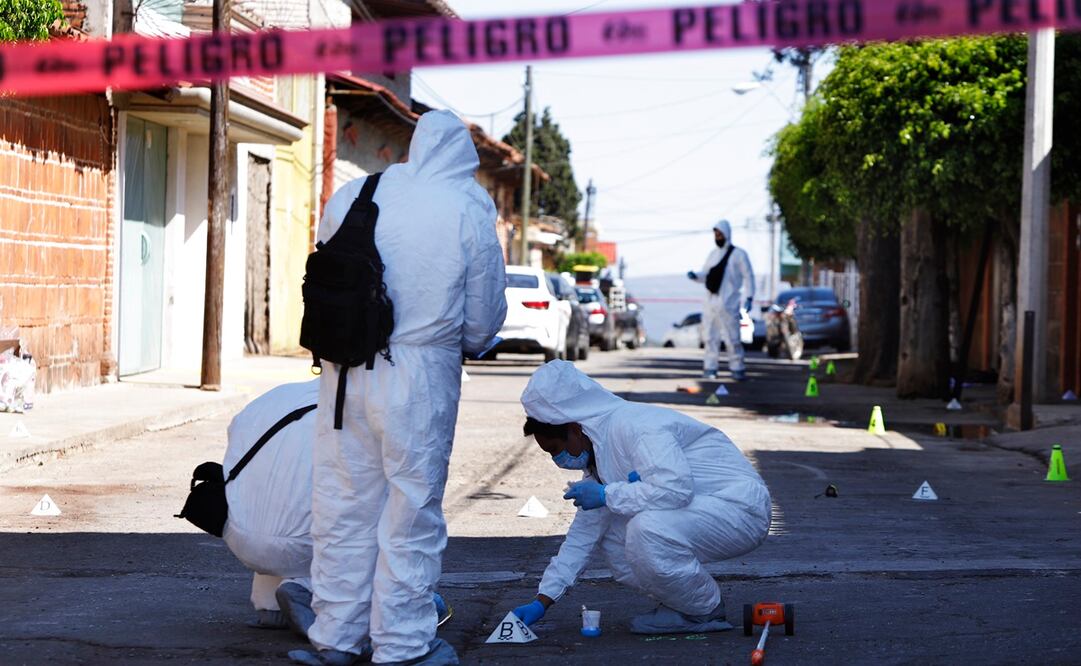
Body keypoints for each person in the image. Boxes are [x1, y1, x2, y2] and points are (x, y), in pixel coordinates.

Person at [293, 110, 507, 666]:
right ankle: (404, 645)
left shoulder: (355, 191)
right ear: (464, 155)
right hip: (419, 374)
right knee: (409, 511)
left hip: (344, 372)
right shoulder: (467, 205)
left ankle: (335, 637)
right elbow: (483, 320)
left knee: (343, 508)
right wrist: (467, 341)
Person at [506, 360, 771, 635]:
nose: (557, 460)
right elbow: (583, 536)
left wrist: (609, 494)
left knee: (646, 530)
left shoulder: (635, 427)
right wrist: (542, 600)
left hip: (740, 509)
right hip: (703, 509)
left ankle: (704, 610)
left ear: (573, 427)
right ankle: (682, 602)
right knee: (613, 540)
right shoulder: (601, 455)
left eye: (555, 450)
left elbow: (674, 489)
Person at [219, 380, 450, 638]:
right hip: (316, 542)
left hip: (240, 533)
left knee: (283, 500)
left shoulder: (273, 396)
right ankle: (311, 589)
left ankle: (270, 607)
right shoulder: (379, 404)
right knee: (393, 507)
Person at [687, 219, 755, 380]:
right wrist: (695, 276)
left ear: (726, 234)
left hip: (728, 302)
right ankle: (710, 368)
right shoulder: (713, 255)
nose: (717, 237)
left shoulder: (738, 254)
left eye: (719, 234)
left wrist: (750, 296)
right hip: (711, 302)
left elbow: (748, 276)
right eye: (715, 234)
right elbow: (706, 275)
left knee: (732, 337)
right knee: (710, 337)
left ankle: (737, 368)